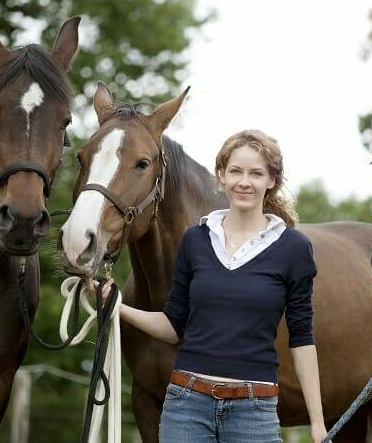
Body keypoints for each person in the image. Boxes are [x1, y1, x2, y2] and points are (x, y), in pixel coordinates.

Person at [114, 129, 327, 442]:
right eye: (235, 171)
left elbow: (302, 338)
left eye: (256, 173)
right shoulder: (195, 240)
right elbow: (173, 325)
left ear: (271, 180)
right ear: (221, 176)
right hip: (186, 406)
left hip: (254, 410)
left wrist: (317, 422)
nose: (244, 182)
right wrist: (116, 306)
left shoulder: (293, 248)